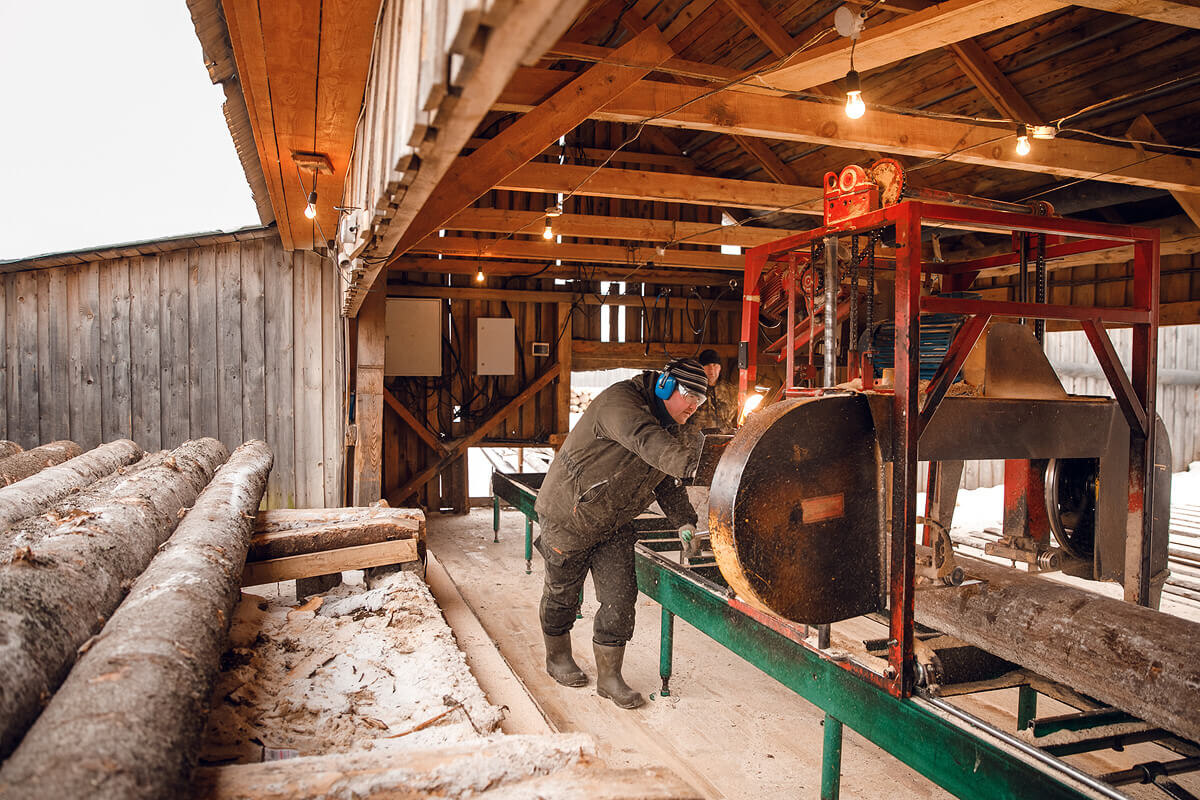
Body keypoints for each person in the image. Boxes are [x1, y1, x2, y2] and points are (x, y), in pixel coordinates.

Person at [533, 358, 708, 709]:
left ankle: (610, 678)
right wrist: (697, 467)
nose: (693, 406)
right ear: (665, 385)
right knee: (563, 593)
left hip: (613, 521)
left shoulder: (673, 426)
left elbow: (666, 479)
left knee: (620, 598)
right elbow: (647, 442)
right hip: (570, 514)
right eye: (689, 395)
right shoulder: (621, 403)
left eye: (700, 401)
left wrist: (684, 522)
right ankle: (557, 657)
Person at [689, 349, 739, 431]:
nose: (711, 369)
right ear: (700, 368)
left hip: (724, 440)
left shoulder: (731, 391)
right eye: (707, 365)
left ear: (720, 368)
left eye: (715, 365)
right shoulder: (692, 390)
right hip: (696, 440)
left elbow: (737, 419)